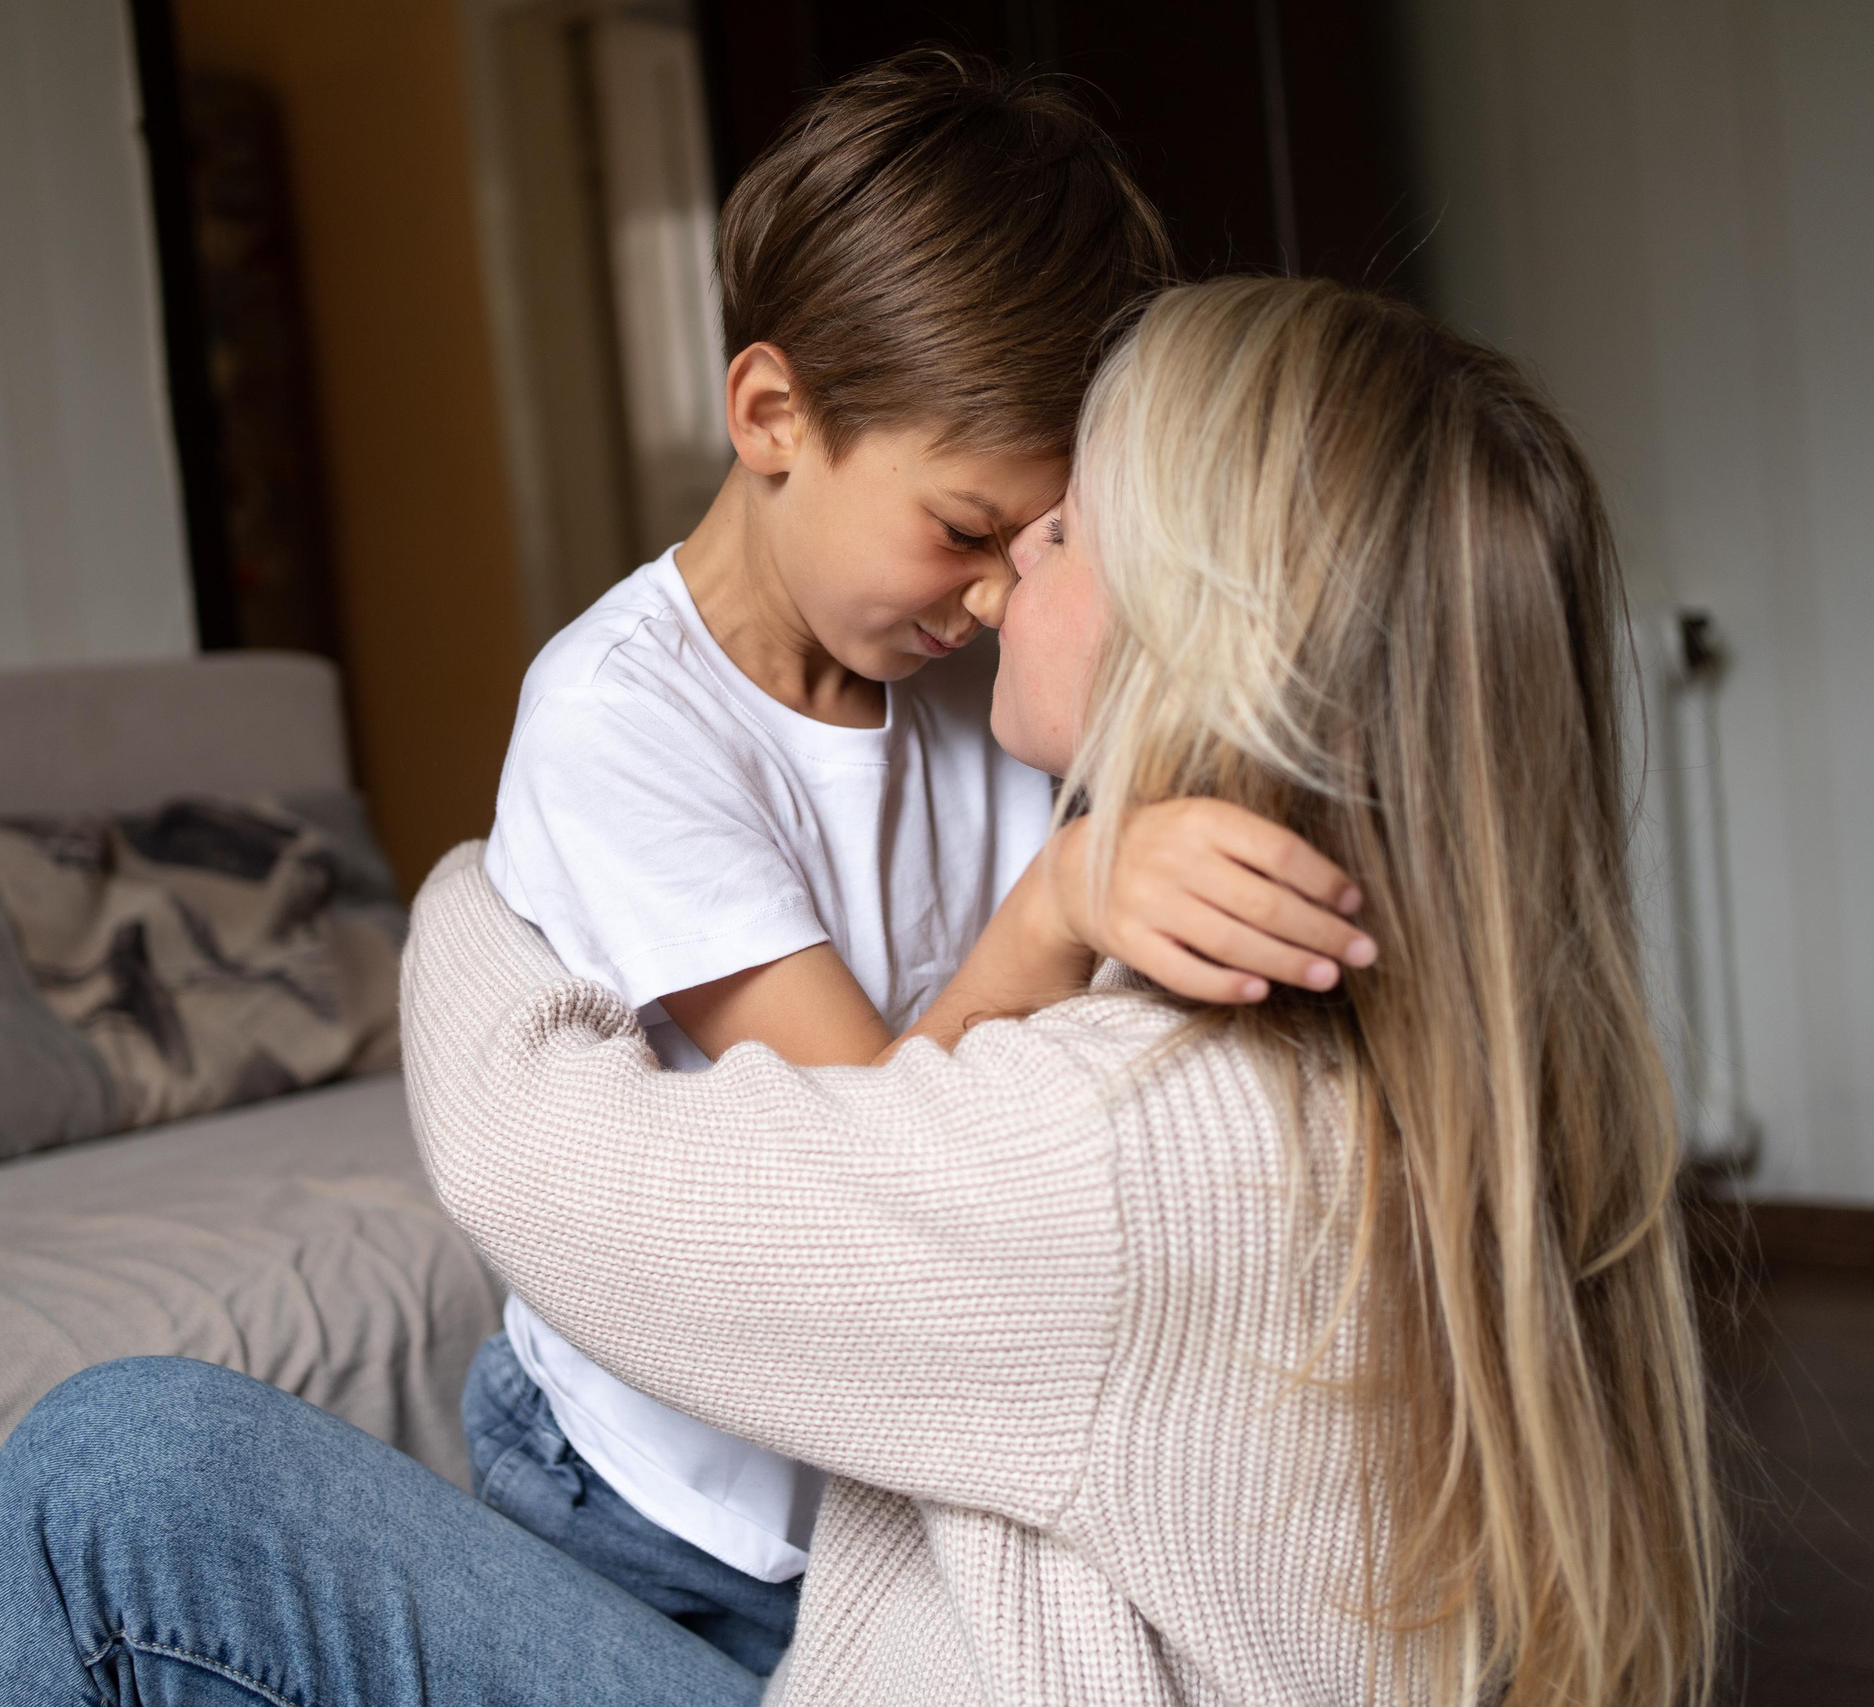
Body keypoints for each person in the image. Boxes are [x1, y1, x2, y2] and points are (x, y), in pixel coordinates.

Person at [0, 276, 1726, 1707]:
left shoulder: (1140, 1154)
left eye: (1065, 531)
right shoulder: (1471, 1062)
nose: (1011, 578)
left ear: (1200, 630)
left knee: (128, 1480)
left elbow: (546, 1168)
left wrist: (464, 885)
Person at [466, 50, 1371, 1675]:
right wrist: (1064, 898)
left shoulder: (969, 674)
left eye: (1039, 543)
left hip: (876, 1483)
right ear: (771, 416)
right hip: (654, 1508)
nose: (997, 599)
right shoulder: (624, 725)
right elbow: (864, 1191)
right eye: (962, 530)